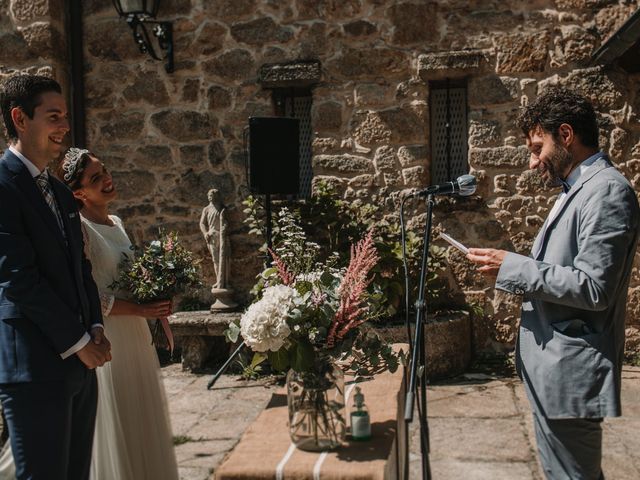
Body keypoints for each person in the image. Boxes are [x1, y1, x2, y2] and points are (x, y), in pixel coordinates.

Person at [467, 88, 640, 479]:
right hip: (551, 371)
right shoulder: (575, 188)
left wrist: (513, 267)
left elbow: (595, 287)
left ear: (565, 135)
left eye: (536, 147)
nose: (532, 163)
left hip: (571, 372)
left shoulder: (607, 190)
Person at [0, 74, 111, 480]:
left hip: (80, 369)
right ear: (20, 118)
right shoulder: (2, 187)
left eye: (65, 116)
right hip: (33, 368)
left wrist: (95, 326)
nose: (64, 126)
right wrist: (80, 343)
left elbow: (80, 266)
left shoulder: (62, 193)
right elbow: (18, 279)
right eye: (53, 116)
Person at [200, 188, 230, 289]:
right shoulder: (206, 209)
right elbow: (202, 223)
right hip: (212, 236)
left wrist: (224, 228)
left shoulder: (222, 208)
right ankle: (218, 281)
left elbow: (226, 221)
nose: (211, 197)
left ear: (217, 197)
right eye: (209, 196)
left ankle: (226, 281)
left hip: (222, 236)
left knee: (225, 259)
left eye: (213, 195)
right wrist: (205, 233)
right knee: (216, 260)